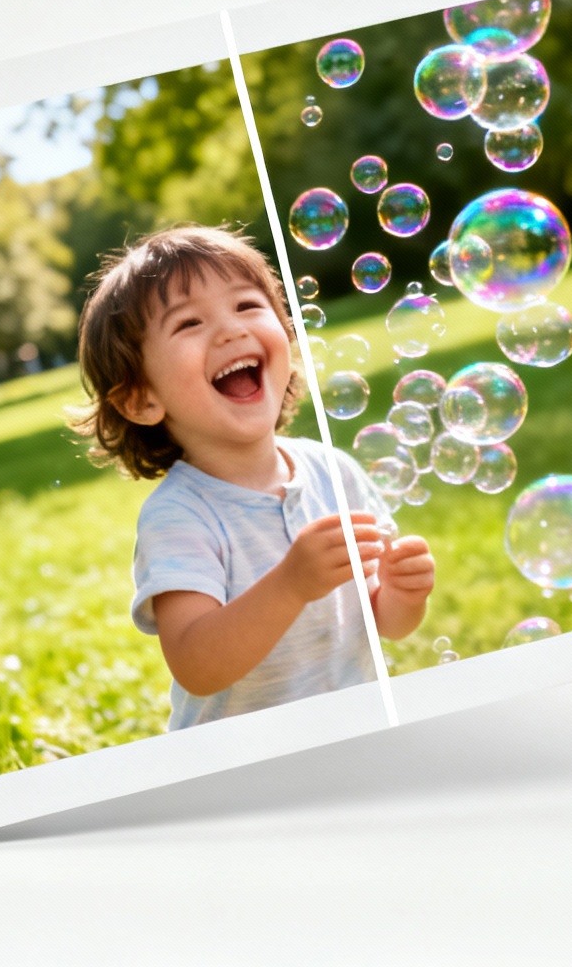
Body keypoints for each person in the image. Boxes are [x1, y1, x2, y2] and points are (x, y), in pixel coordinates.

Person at [68, 225, 436, 730]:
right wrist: (290, 584)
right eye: (189, 323)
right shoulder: (180, 516)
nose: (230, 330)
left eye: (246, 306)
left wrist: (403, 593)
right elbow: (198, 663)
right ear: (141, 399)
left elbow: (383, 624)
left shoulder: (334, 473)